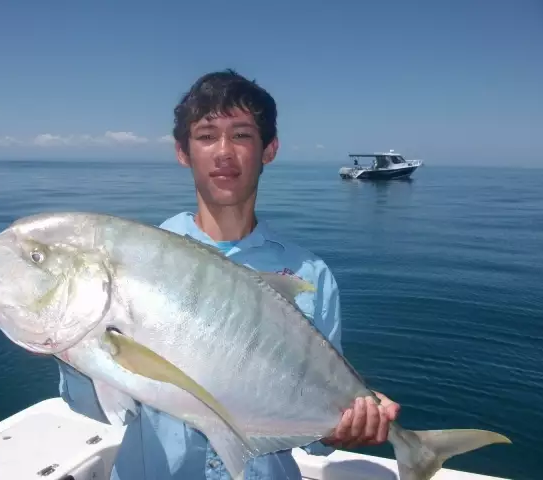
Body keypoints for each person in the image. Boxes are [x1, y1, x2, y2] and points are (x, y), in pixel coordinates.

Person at [57, 69, 400, 480]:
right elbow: (96, 407)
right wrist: (73, 347)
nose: (224, 152)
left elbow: (313, 435)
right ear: (183, 152)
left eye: (241, 135)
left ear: (268, 149)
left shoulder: (310, 275)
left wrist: (348, 423)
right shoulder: (134, 265)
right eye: (206, 136)